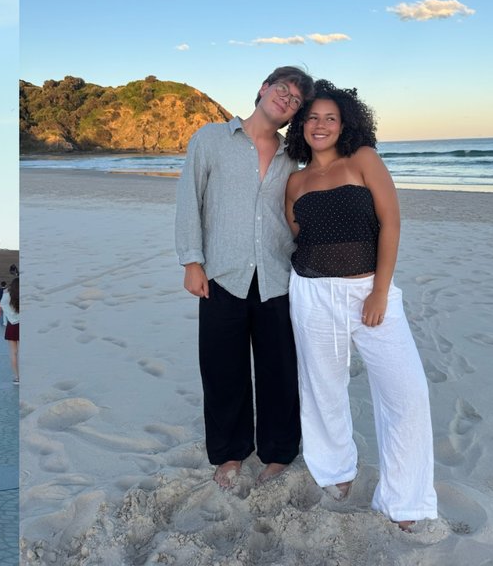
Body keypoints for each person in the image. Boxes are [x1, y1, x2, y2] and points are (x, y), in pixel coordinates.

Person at [282, 81, 436, 530]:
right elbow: (299, 234)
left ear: (345, 123)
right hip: (311, 293)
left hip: (369, 291)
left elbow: (391, 222)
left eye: (330, 117)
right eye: (312, 117)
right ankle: (335, 472)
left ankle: (403, 502)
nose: (321, 125)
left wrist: (380, 291)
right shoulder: (294, 181)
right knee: (322, 387)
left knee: (407, 393)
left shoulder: (364, 159)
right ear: (301, 126)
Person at [175, 65, 313, 489]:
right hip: (222, 274)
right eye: (283, 90)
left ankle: (277, 451)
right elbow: (189, 200)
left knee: (279, 370)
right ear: (263, 89)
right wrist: (191, 262)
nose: (286, 100)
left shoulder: (295, 155)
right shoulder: (211, 138)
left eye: (295, 101)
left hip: (277, 275)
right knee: (222, 370)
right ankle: (230, 453)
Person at [2, 278, 19, 384]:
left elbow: (2, 306)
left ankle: (16, 377)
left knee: (13, 353)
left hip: (12, 324)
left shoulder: (7, 296)